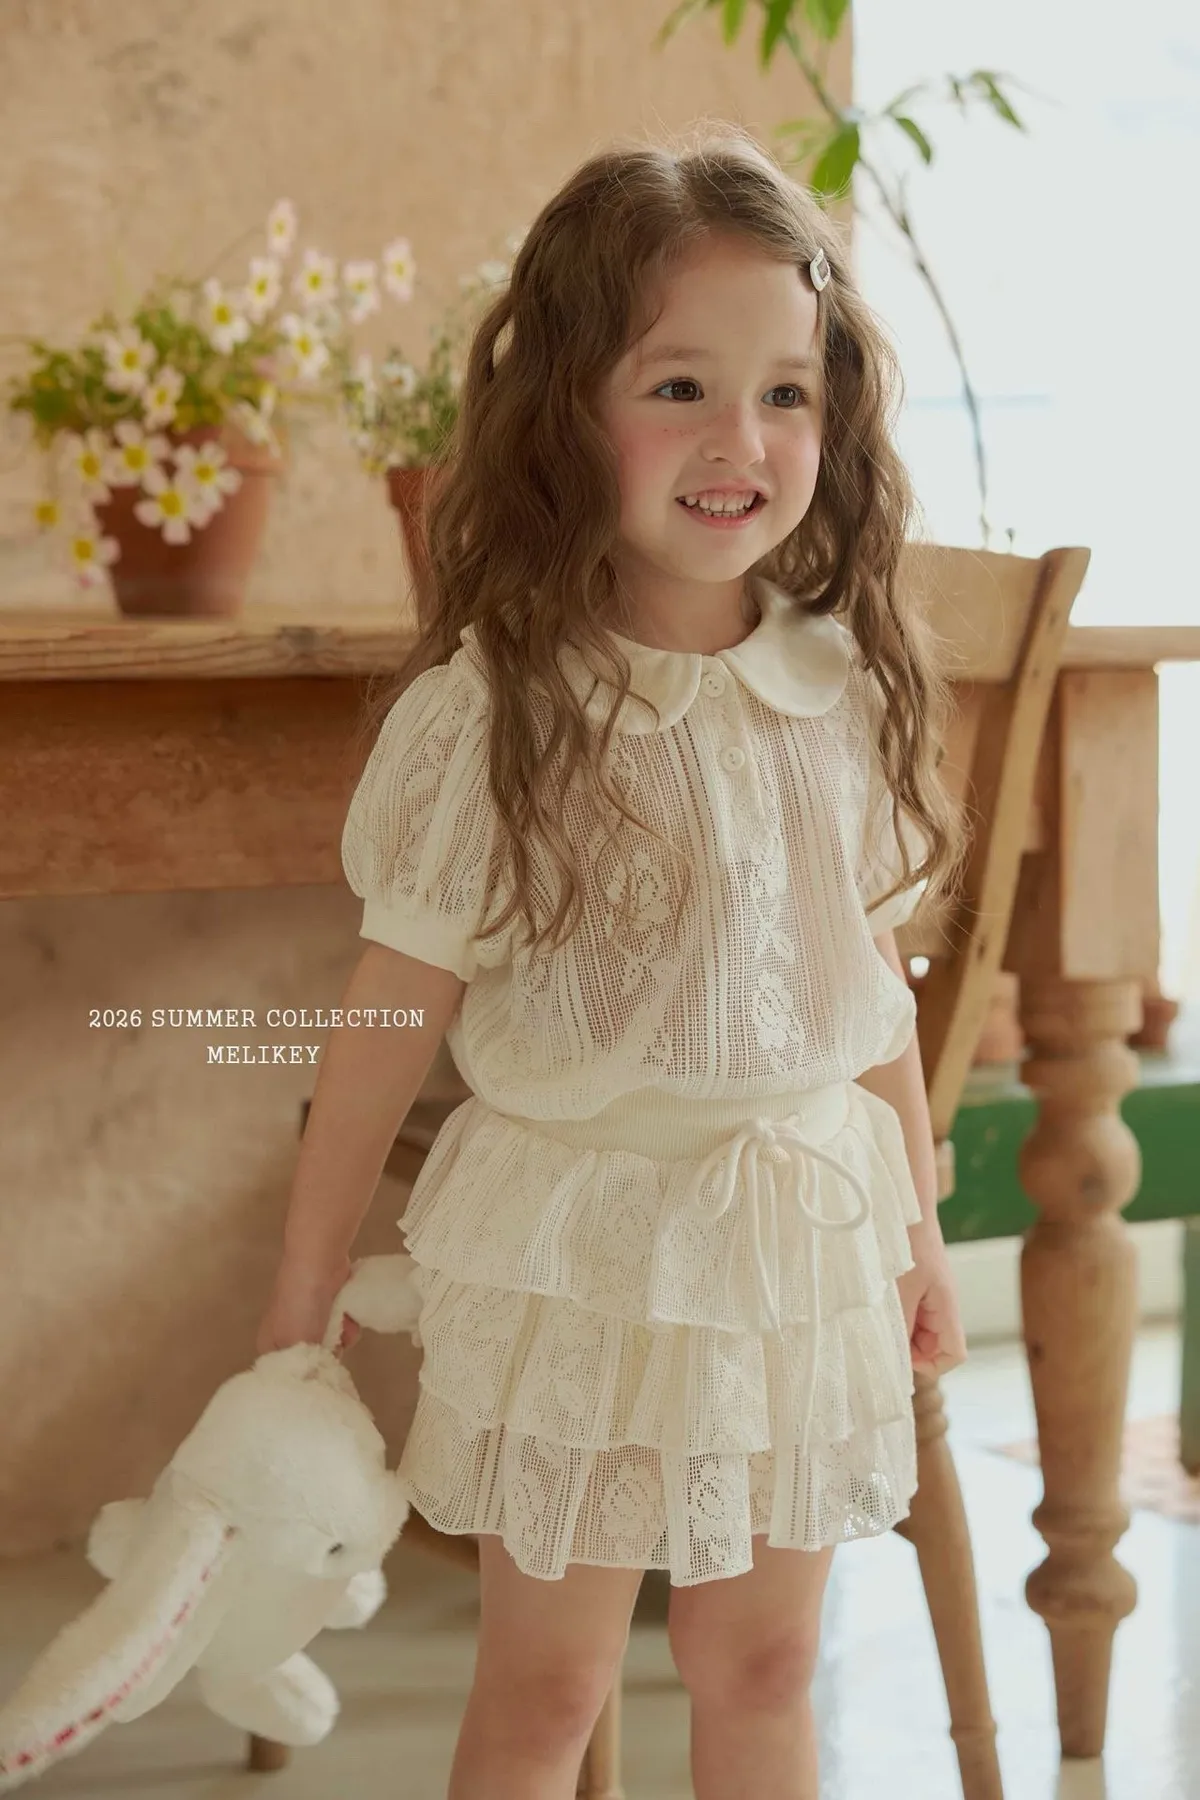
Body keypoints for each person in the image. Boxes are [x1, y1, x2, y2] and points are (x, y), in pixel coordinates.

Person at [257, 120, 970, 1800]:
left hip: (800, 1234)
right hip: (580, 1238)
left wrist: (920, 1233)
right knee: (551, 1684)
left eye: (785, 392)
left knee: (764, 1660)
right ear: (569, 408)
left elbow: (862, 987)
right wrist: (305, 1275)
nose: (741, 440)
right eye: (679, 388)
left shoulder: (838, 690)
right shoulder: (497, 712)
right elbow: (389, 1015)